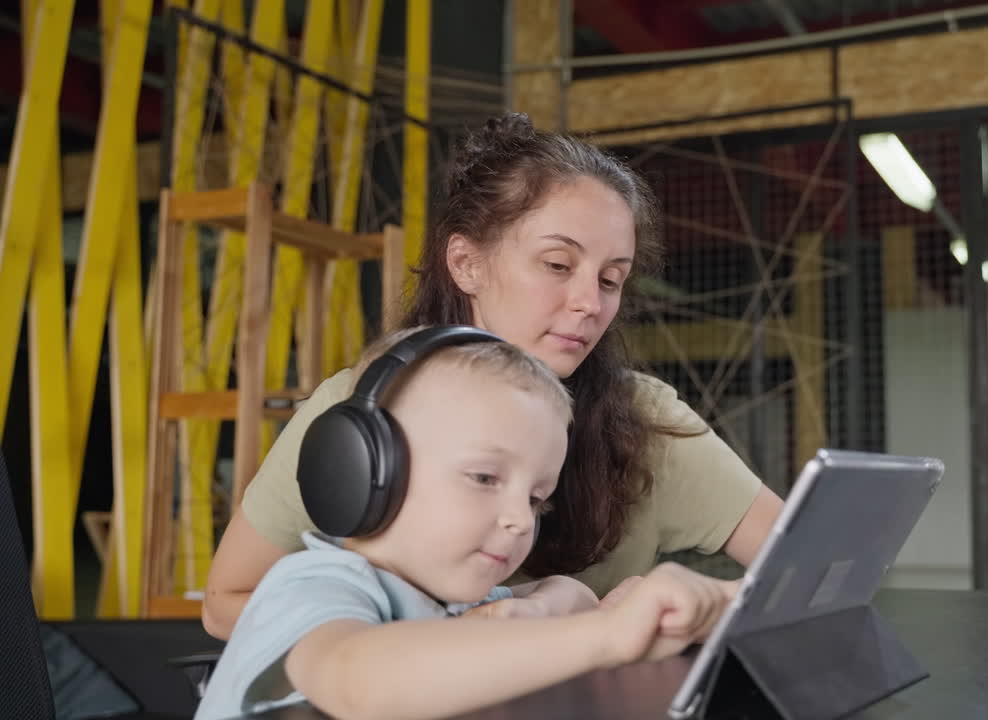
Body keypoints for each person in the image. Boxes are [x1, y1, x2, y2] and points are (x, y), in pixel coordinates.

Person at [202, 112, 783, 640]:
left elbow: (807, 569)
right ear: (466, 263)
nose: (590, 302)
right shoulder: (361, 406)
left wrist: (690, 605)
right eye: (558, 265)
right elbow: (226, 601)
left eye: (611, 279)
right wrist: (427, 648)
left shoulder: (644, 420)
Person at [195, 329, 738, 720]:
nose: (519, 521)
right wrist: (604, 636)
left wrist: (539, 609)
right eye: (483, 478)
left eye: (536, 499)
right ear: (365, 470)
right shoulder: (315, 587)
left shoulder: (454, 604)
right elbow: (357, 682)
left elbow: (568, 593)